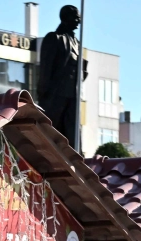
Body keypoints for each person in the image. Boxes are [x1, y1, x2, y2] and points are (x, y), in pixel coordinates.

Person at [36, 5, 85, 145]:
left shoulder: (77, 42)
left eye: (79, 18)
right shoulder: (54, 38)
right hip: (57, 94)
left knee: (73, 132)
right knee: (51, 130)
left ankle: (75, 156)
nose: (78, 21)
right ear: (65, 18)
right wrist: (43, 92)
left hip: (73, 95)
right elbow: (46, 67)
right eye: (75, 18)